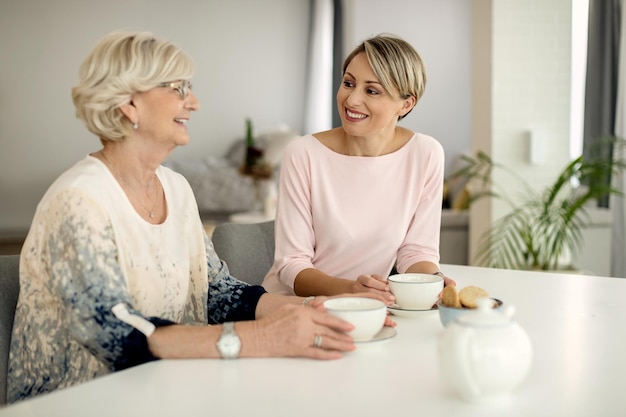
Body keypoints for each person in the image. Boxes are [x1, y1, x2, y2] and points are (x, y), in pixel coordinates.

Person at [7, 31, 392, 404]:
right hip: (84, 402)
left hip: (172, 388)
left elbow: (216, 292)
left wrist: (320, 309)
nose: (193, 103)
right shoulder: (79, 201)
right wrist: (262, 338)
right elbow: (119, 336)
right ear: (128, 104)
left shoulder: (176, 188)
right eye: (178, 88)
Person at [262, 34, 455, 302]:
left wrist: (427, 282)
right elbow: (291, 265)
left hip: (368, 306)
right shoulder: (303, 153)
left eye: (371, 90)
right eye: (348, 83)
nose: (352, 100)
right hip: (296, 305)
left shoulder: (425, 154)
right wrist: (351, 289)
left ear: (406, 103)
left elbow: (416, 252)